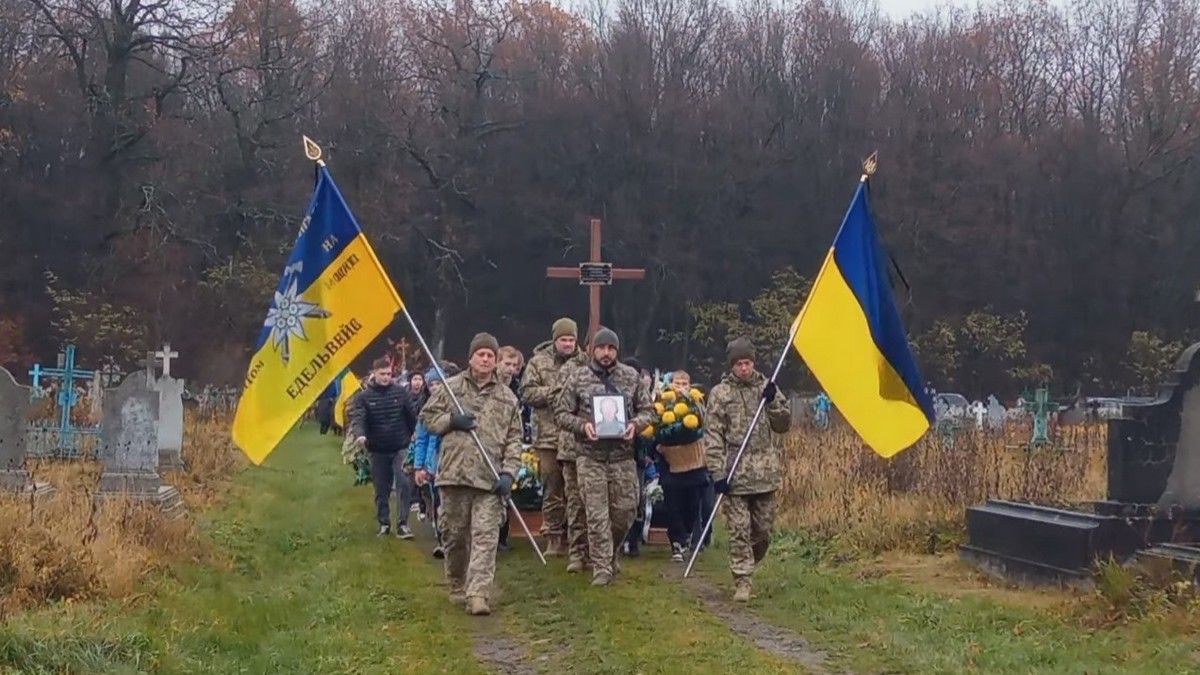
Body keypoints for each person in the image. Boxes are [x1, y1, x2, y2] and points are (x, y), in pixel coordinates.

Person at [421, 333, 523, 616]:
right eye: (481, 354)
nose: (486, 359)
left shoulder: (507, 397)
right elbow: (427, 418)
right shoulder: (450, 389)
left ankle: (478, 593)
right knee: (454, 536)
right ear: (470, 358)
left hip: (488, 478)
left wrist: (509, 473)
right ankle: (456, 581)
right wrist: (451, 421)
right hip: (454, 474)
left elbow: (515, 439)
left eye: (491, 355)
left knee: (485, 536)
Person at [554, 327, 653, 586]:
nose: (606, 353)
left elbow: (647, 410)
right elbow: (561, 413)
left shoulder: (631, 377)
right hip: (590, 456)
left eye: (611, 348)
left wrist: (636, 425)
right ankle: (601, 567)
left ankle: (611, 552)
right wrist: (582, 426)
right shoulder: (578, 378)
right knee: (596, 513)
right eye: (601, 348)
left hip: (622, 457)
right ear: (592, 349)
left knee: (624, 511)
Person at [703, 337, 791, 602]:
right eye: (739, 363)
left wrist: (773, 401)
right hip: (734, 473)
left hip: (764, 473)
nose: (744, 368)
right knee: (739, 529)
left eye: (748, 362)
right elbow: (713, 435)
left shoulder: (768, 387)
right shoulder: (721, 394)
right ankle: (742, 579)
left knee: (762, 530)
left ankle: (749, 561)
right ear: (732, 365)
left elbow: (783, 424)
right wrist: (717, 473)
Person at [521, 318, 585, 559]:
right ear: (555, 340)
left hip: (576, 435)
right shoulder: (538, 362)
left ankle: (576, 537)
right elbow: (527, 392)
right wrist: (553, 393)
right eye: (563, 340)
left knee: (576, 489)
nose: (568, 344)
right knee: (552, 487)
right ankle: (553, 535)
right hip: (548, 436)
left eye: (571, 340)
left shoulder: (585, 362)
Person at [348, 357, 419, 539]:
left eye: (389, 374)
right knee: (381, 488)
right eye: (382, 374)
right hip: (377, 449)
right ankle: (384, 523)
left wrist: (415, 434)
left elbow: (411, 416)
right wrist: (360, 435)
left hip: (400, 446)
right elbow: (358, 418)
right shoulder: (363, 397)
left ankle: (403, 524)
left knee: (403, 483)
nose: (386, 377)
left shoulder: (401, 393)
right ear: (374, 373)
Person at [658, 370, 710, 563]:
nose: (681, 387)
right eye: (677, 383)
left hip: (694, 464)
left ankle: (688, 533)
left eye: (684, 384)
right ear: (671, 385)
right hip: (670, 464)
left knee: (693, 503)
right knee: (673, 503)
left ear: (690, 385)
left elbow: (705, 425)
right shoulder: (663, 403)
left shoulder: (697, 403)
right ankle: (677, 543)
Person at [412, 367, 446, 558]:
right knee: (438, 502)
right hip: (434, 462)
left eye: (438, 383)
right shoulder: (426, 410)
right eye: (431, 384)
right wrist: (419, 466)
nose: (435, 387)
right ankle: (442, 540)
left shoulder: (455, 405)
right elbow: (422, 439)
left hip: (453, 459)